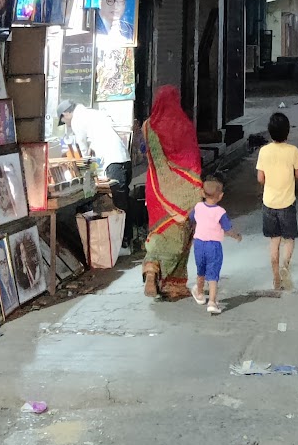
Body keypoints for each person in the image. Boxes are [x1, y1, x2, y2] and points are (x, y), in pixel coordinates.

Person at [140, 86, 203, 300]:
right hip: (184, 193)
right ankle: (173, 284)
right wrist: (196, 189)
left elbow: (149, 156)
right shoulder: (184, 125)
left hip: (156, 189)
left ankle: (151, 267)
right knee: (180, 235)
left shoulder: (147, 126)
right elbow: (193, 160)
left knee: (158, 232)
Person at [256, 111, 298, 293]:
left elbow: (260, 178)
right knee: (289, 239)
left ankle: (276, 277)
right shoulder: (293, 151)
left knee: (274, 240)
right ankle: (285, 266)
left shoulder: (264, 151)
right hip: (287, 202)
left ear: (269, 132)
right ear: (287, 132)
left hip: (269, 203)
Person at [57, 100, 132, 204]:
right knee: (123, 199)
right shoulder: (93, 113)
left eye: (64, 121)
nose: (67, 125)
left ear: (65, 114)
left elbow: (84, 152)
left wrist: (87, 178)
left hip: (113, 162)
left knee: (119, 204)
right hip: (124, 159)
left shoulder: (77, 120)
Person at [189, 176, 242, 315]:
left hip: (199, 244)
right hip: (213, 246)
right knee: (213, 274)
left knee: (201, 270)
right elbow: (227, 229)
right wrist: (236, 236)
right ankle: (212, 302)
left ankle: (199, 293)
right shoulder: (220, 212)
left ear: (202, 193)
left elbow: (191, 218)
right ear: (221, 196)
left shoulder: (198, 207)